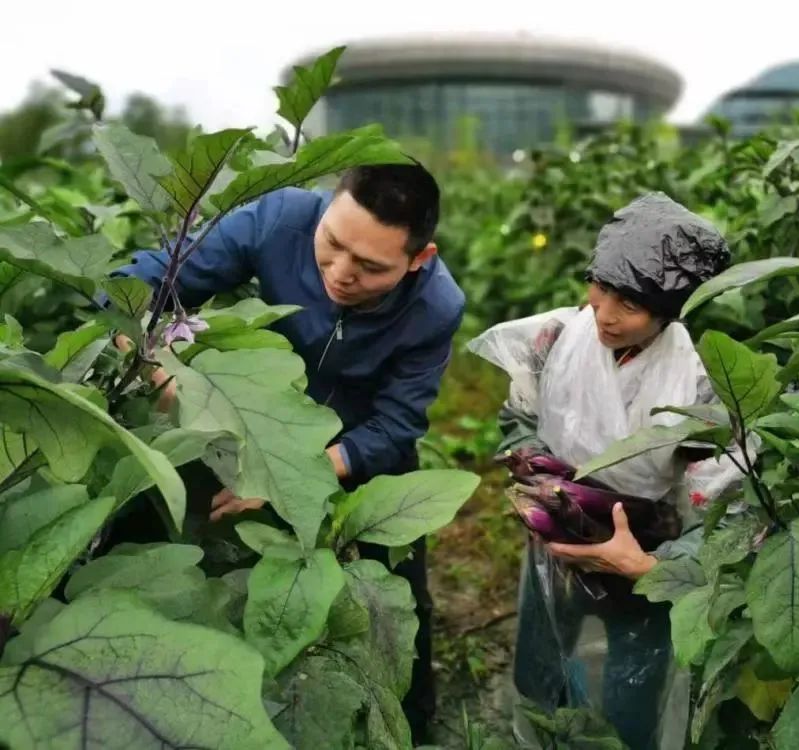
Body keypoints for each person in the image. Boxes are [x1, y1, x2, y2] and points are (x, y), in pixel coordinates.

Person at [108, 162, 463, 744]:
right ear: (326, 211)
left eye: (371, 266)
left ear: (417, 260)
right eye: (331, 245)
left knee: (396, 610)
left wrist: (290, 479)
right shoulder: (278, 218)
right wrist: (152, 366)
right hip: (252, 421)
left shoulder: (436, 305)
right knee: (178, 544)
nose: (341, 273)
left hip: (355, 449)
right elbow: (145, 284)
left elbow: (396, 425)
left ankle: (412, 726)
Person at [468, 192, 751, 750]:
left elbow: (724, 504)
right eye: (601, 289)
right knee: (542, 659)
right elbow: (520, 416)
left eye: (631, 304)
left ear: (671, 311)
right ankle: (541, 738)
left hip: (641, 548)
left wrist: (654, 567)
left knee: (632, 687)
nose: (605, 314)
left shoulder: (697, 390)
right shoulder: (553, 341)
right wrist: (532, 471)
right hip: (558, 534)